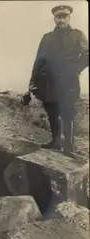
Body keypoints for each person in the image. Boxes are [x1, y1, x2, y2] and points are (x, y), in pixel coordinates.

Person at [22, 5, 89, 156]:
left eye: (64, 16)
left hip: (68, 81)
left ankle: (69, 147)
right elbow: (39, 61)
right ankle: (56, 142)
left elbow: (87, 54)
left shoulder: (78, 35)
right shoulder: (47, 37)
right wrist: (33, 82)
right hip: (49, 81)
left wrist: (76, 69)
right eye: (58, 17)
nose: (61, 20)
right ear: (54, 19)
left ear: (69, 17)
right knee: (52, 111)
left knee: (67, 112)